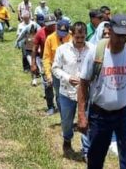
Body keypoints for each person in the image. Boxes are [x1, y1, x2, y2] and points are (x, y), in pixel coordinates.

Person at [77, 14, 126, 169]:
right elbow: (83, 84)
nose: (121, 39)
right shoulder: (95, 53)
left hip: (125, 114)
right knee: (95, 158)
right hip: (99, 115)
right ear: (110, 30)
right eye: (118, 35)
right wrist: (81, 114)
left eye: (125, 35)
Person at [52, 21, 93, 159]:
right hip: (67, 92)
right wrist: (68, 77)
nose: (80, 41)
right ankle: (67, 139)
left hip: (86, 93)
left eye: (83, 38)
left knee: (86, 121)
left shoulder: (92, 49)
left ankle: (87, 150)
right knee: (67, 122)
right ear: (72, 35)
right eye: (77, 38)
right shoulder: (62, 49)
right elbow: (55, 68)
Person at [31, 15, 58, 115]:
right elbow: (34, 49)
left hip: (59, 62)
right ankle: (50, 106)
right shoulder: (40, 33)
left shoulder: (60, 33)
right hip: (45, 61)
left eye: (53, 25)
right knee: (47, 85)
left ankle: (61, 104)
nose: (51, 27)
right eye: (49, 25)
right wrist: (33, 63)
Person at [44, 19, 73, 115]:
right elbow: (47, 58)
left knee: (70, 95)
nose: (61, 35)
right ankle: (64, 117)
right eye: (59, 32)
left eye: (64, 33)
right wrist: (48, 74)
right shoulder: (50, 38)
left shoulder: (72, 38)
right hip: (56, 71)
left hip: (70, 71)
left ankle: (70, 115)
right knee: (59, 95)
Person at [15, 8, 38, 74]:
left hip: (32, 41)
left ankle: (33, 67)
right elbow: (18, 35)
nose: (25, 19)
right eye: (24, 18)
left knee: (33, 54)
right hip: (24, 42)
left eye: (26, 18)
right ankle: (26, 68)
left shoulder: (34, 24)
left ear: (29, 17)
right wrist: (18, 43)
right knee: (25, 55)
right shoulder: (20, 25)